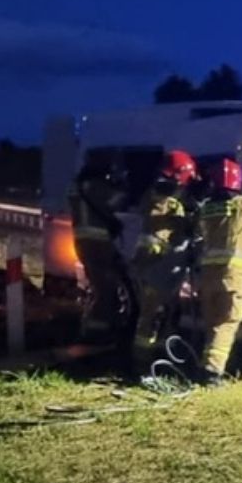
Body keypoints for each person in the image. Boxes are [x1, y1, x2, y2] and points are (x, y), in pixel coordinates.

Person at [193, 158, 242, 385]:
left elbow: (198, 233)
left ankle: (204, 365)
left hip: (207, 275)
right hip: (231, 275)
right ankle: (212, 373)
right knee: (227, 321)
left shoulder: (206, 208)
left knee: (212, 322)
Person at [130, 149, 197, 375]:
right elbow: (169, 228)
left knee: (165, 312)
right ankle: (141, 363)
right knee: (151, 314)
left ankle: (158, 355)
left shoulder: (160, 196)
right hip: (155, 264)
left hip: (160, 265)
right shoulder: (162, 198)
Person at [67, 160, 131, 345]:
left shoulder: (75, 188)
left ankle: (95, 328)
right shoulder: (99, 187)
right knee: (105, 289)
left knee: (98, 286)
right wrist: (122, 185)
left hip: (82, 243)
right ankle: (97, 332)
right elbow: (119, 201)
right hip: (99, 243)